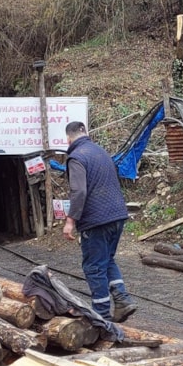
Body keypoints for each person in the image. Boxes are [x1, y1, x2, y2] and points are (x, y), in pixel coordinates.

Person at [63, 121, 137, 322]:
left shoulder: (76, 157)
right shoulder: (101, 152)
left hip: (96, 220)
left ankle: (101, 316)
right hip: (118, 215)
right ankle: (122, 300)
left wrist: (70, 221)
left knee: (94, 267)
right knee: (107, 260)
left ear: (68, 139)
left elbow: (79, 191)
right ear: (85, 133)